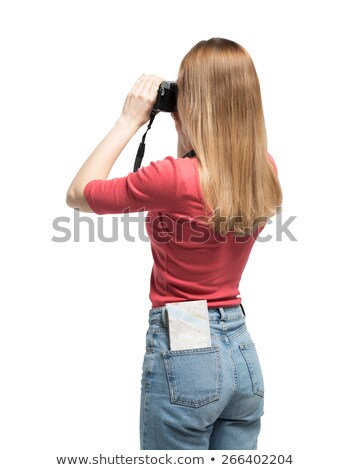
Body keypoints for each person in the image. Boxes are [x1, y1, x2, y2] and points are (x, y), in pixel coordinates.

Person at [66, 37, 283, 450]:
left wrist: (129, 120)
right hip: (240, 347)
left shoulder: (173, 178)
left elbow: (79, 193)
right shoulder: (263, 167)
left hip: (187, 337)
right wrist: (189, 125)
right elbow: (207, 168)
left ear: (191, 101)